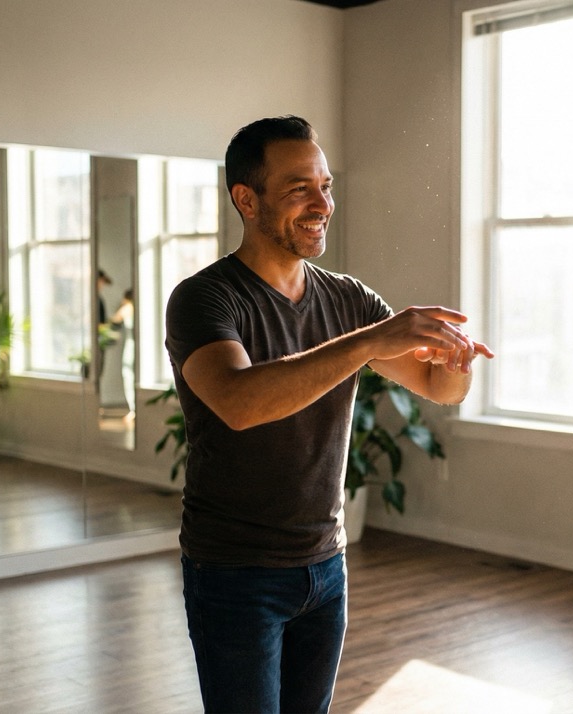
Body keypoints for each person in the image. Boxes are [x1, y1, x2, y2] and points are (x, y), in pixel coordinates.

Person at [165, 115, 493, 713]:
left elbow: (436, 389)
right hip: (235, 572)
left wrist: (456, 359)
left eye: (327, 185)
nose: (323, 204)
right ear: (247, 199)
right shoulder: (205, 298)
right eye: (299, 188)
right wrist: (368, 342)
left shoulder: (348, 298)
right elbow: (240, 402)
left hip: (325, 568)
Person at [109, 288, 135, 421]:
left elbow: (114, 320)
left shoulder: (128, 307)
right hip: (134, 345)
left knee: (129, 376)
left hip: (131, 347)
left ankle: (133, 408)